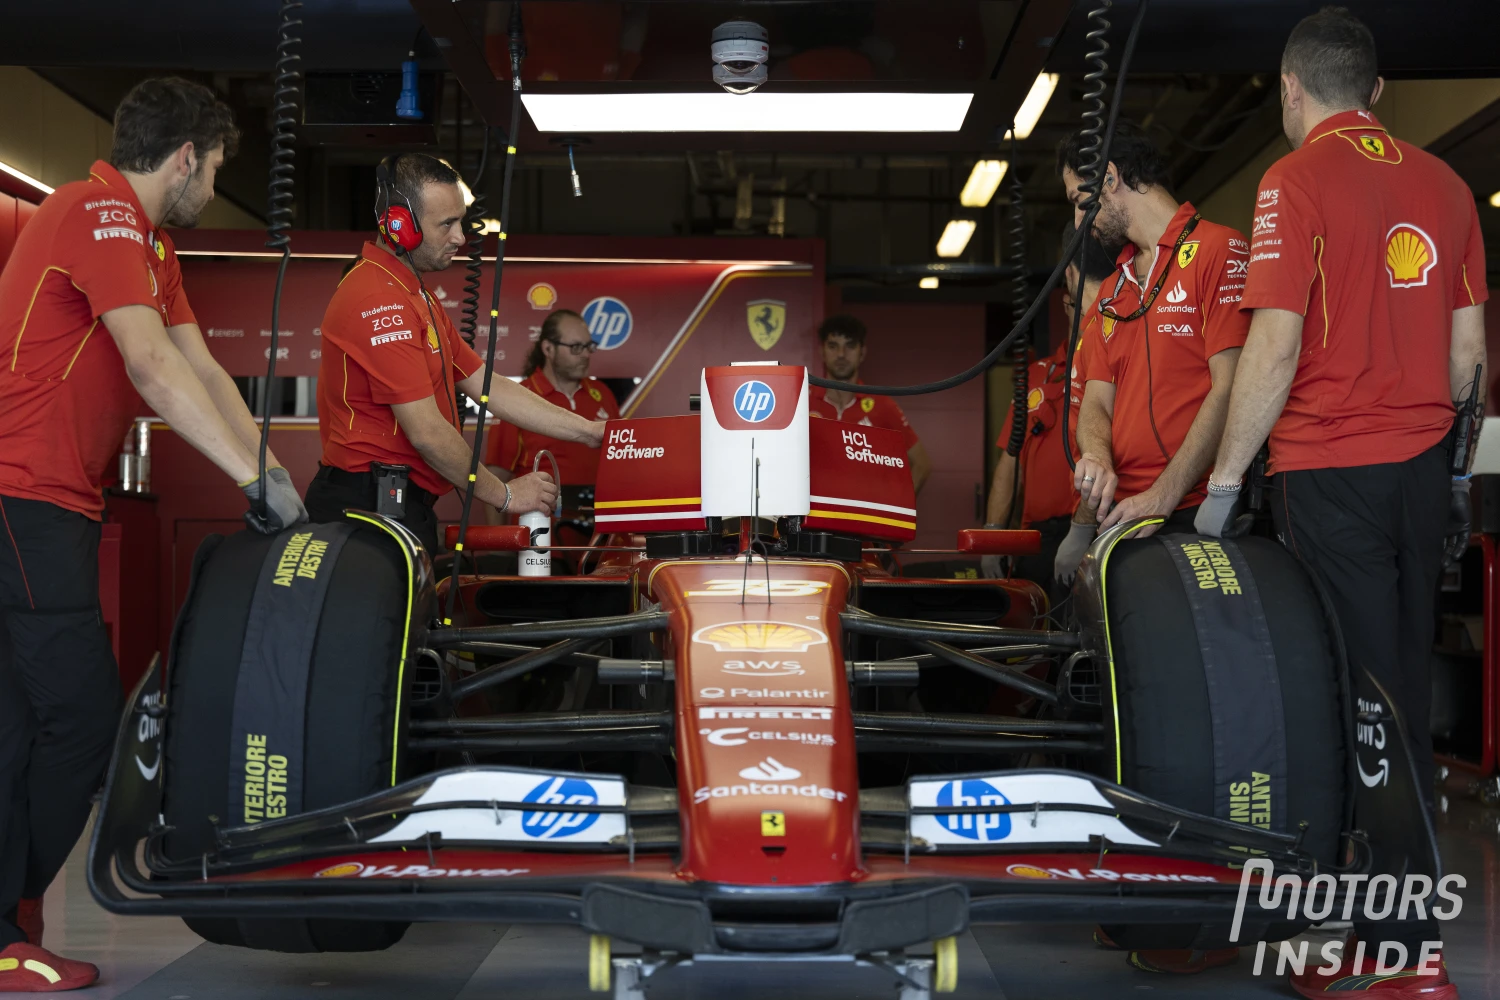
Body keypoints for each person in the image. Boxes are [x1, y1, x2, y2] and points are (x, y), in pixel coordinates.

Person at [1198, 10, 1482, 998]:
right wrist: (1449, 475)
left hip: (1330, 471)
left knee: (1358, 704)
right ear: (1377, 90)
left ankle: (1399, 955)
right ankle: (1394, 937)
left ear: (1290, 87)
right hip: (1422, 473)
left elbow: (1274, 347)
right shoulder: (1447, 185)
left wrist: (1224, 483)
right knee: (1400, 688)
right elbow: (1468, 357)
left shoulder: (1294, 180)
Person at [0, 78, 307, 992]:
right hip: (19, 496)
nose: (212, 185)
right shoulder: (95, 212)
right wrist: (249, 480)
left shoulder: (150, 244)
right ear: (185, 157)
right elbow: (148, 365)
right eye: (213, 169)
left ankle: (9, 930)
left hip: (47, 502)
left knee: (18, 725)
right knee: (83, 719)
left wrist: (274, 475)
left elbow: (197, 367)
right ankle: (11, 919)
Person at [307, 154, 604, 554]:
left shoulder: (415, 296)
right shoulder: (379, 299)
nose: (461, 237)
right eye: (446, 224)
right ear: (399, 226)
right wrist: (505, 494)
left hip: (397, 506)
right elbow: (427, 433)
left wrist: (588, 431)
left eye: (461, 221)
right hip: (367, 512)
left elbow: (486, 384)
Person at [1055, 120, 1252, 586]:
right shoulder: (1111, 293)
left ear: (1109, 178)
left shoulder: (1219, 250)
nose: (1079, 223)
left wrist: (1163, 496)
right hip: (1122, 519)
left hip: (1193, 512)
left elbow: (1232, 388)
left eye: (1079, 202)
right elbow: (1096, 403)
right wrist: (1097, 457)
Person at [983, 221, 1119, 592]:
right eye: (1079, 305)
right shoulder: (1036, 377)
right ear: (1066, 303)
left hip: (1096, 526)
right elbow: (1009, 463)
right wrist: (993, 533)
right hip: (1037, 539)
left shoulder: (1118, 362)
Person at [485, 308, 620, 486]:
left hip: (600, 504)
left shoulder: (602, 392)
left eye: (589, 346)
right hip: (543, 505)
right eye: (576, 347)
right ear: (548, 349)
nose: (586, 355)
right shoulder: (518, 398)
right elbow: (496, 478)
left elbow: (621, 460)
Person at [808, 315, 931, 493]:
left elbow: (922, 464)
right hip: (814, 510)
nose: (841, 354)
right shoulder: (802, 401)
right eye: (833, 346)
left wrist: (896, 506)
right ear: (822, 352)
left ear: (862, 353)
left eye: (850, 346)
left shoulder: (882, 405)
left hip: (863, 510)